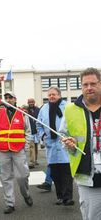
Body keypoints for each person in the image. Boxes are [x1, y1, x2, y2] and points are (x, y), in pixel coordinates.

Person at [60, 68, 101, 219]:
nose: (89, 87)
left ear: (100, 84)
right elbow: (63, 134)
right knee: (91, 216)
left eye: (93, 83)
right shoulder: (71, 109)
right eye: (85, 84)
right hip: (86, 173)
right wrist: (69, 143)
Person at [0, 91, 33, 214]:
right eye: (6, 98)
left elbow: (28, 131)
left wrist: (25, 146)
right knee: (6, 177)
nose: (8, 99)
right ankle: (9, 203)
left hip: (18, 150)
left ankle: (26, 194)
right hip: (3, 150)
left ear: (15, 99)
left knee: (22, 176)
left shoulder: (22, 113)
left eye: (10, 97)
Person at [37, 86, 74, 205]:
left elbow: (74, 123)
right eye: (49, 95)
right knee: (55, 174)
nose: (51, 97)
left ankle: (68, 197)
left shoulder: (68, 107)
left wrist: (71, 137)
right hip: (51, 145)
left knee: (66, 173)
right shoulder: (44, 109)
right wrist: (43, 136)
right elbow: (39, 125)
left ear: (59, 95)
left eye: (54, 94)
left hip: (64, 145)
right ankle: (60, 196)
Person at [26, 98, 40, 168]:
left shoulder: (38, 110)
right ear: (28, 103)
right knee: (31, 147)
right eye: (29, 102)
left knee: (36, 146)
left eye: (32, 102)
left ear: (34, 102)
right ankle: (32, 162)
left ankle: (35, 160)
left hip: (36, 131)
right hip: (30, 131)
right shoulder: (26, 110)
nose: (31, 103)